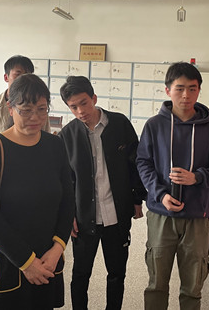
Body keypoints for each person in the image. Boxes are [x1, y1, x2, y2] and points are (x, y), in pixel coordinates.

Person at [136, 62, 209, 310]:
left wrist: (198, 177)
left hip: (197, 217)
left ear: (199, 90)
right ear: (168, 90)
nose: (186, 95)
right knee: (156, 283)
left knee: (193, 286)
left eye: (192, 88)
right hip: (161, 215)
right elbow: (143, 163)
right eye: (179, 88)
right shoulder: (154, 126)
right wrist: (160, 195)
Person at [0, 73, 74, 310]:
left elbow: (68, 200)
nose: (35, 117)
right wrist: (27, 263)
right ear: (10, 109)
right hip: (9, 260)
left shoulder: (55, 145)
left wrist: (58, 248)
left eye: (41, 109)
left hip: (48, 258)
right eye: (26, 110)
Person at [58, 76, 146, 310]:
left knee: (117, 273)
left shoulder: (120, 124)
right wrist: (69, 215)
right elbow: (65, 181)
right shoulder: (67, 135)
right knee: (80, 274)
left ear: (94, 98)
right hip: (84, 218)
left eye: (84, 103)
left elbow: (135, 164)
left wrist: (137, 198)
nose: (80, 111)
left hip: (117, 215)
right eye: (73, 107)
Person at [0, 55, 50, 146]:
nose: (23, 80)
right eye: (18, 75)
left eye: (27, 75)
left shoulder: (39, 108)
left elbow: (46, 140)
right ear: (6, 77)